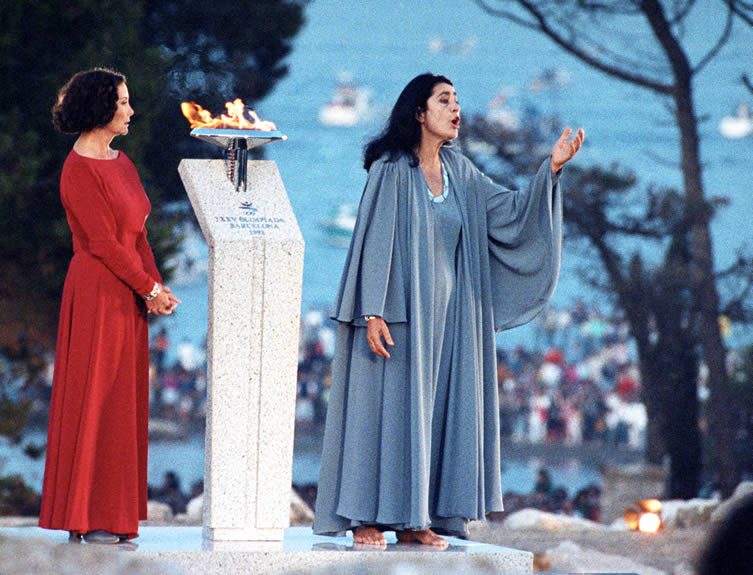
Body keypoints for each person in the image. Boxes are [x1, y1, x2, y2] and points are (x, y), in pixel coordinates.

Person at [313, 73, 583, 547]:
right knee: (383, 413)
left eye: (457, 100)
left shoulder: (464, 174)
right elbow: (374, 240)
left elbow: (516, 215)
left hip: (448, 323)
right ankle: (366, 518)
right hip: (396, 316)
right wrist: (371, 310)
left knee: (433, 417)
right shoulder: (391, 170)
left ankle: (419, 521)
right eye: (444, 100)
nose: (456, 108)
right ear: (419, 112)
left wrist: (551, 170)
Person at [39, 68, 179, 544]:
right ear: (100, 108)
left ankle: (117, 518)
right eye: (122, 102)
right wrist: (147, 288)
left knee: (122, 403)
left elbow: (136, 234)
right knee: (95, 399)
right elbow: (102, 244)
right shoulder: (77, 170)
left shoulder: (123, 163)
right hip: (98, 292)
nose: (130, 110)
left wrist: (155, 286)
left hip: (129, 294)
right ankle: (89, 516)